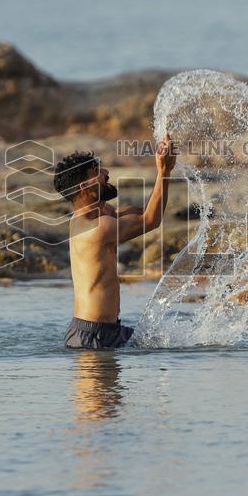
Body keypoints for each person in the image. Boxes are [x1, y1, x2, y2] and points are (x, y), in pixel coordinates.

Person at [53, 134, 176, 349]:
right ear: (84, 187)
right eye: (97, 172)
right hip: (93, 336)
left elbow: (145, 213)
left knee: (168, 345)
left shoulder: (96, 216)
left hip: (107, 331)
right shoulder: (98, 228)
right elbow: (150, 220)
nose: (106, 174)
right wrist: (163, 172)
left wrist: (163, 169)